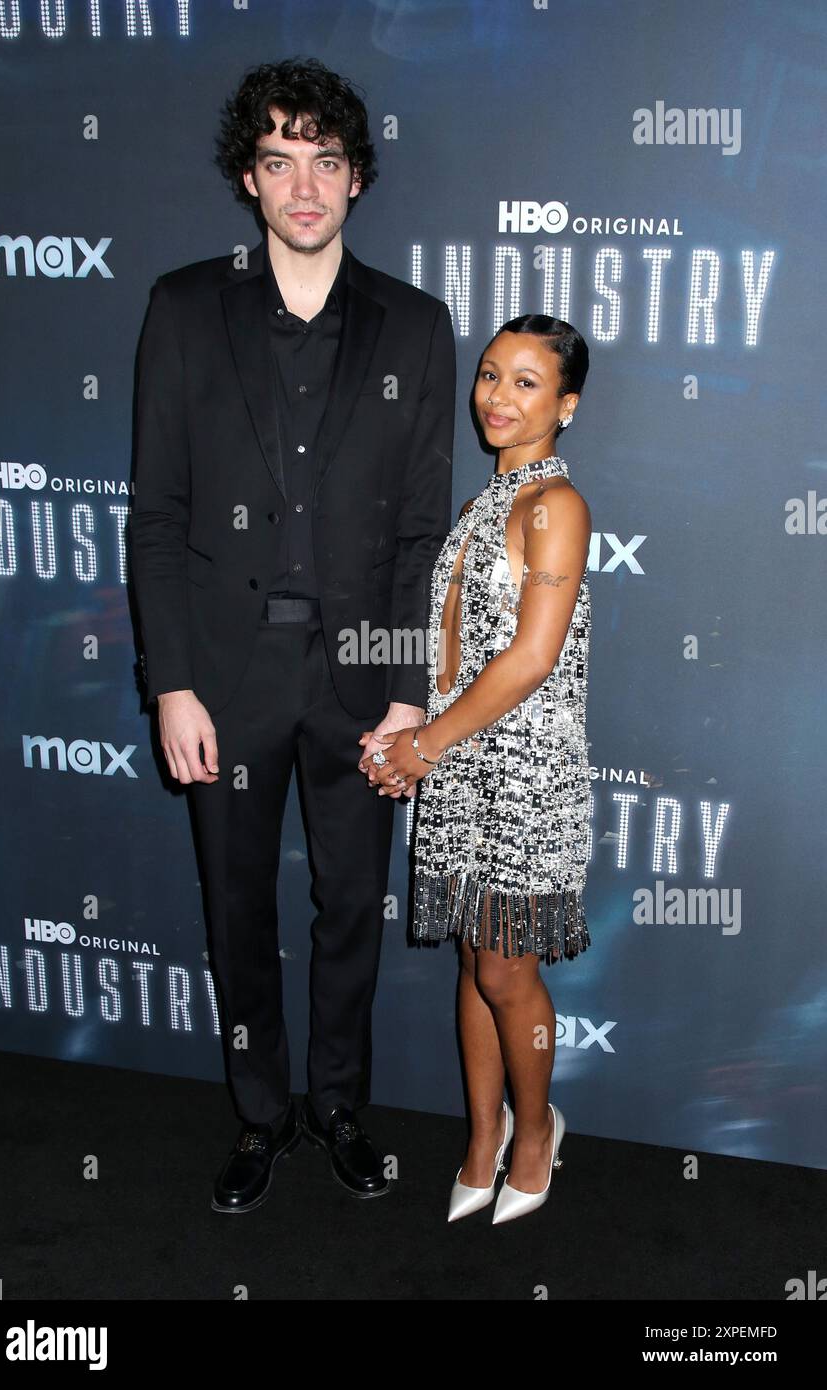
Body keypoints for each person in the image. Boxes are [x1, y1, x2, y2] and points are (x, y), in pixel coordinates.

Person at [129, 57, 455, 1213]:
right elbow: (157, 518)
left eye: (325, 160)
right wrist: (171, 683)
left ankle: (340, 1108)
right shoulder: (181, 308)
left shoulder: (416, 324)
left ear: (356, 178)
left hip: (365, 685)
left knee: (348, 909)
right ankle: (260, 1116)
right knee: (237, 908)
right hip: (223, 681)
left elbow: (422, 530)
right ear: (248, 179)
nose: (303, 184)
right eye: (279, 160)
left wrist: (411, 690)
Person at [365, 315, 591, 1224]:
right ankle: (480, 1135)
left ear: (565, 406)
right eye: (491, 375)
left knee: (505, 973)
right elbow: (455, 648)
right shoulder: (481, 505)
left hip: (525, 773)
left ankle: (536, 1133)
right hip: (459, 758)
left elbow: (531, 657)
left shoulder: (557, 508)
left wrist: (425, 744)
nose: (498, 396)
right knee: (472, 959)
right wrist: (403, 731)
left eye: (527, 383)